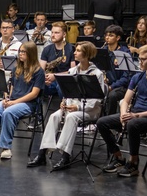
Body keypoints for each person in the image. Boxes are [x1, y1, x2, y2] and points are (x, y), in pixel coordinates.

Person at [31, 41, 108, 171]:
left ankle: (65, 156)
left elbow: (96, 99)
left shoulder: (97, 73)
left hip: (91, 109)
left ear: (87, 54)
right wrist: (64, 102)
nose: (74, 53)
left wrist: (77, 108)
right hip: (73, 107)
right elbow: (68, 92)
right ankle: (42, 153)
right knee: (54, 116)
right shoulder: (73, 70)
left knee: (72, 117)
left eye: (78, 50)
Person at [96, 44, 147, 178]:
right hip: (132, 115)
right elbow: (126, 100)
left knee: (132, 124)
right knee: (102, 122)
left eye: (143, 59)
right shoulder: (137, 77)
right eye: (139, 59)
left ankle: (133, 163)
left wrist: (137, 115)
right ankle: (118, 158)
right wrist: (123, 113)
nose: (139, 62)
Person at [0, 41, 44, 160]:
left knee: (8, 112)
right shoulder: (16, 68)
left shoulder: (38, 72)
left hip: (28, 104)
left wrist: (14, 103)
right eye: (19, 51)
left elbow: (34, 94)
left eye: (23, 52)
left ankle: (6, 147)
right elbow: (12, 88)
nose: (20, 54)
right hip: (13, 100)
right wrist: (7, 99)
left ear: (30, 54)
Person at [101, 25, 133, 116]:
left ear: (118, 38)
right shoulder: (103, 51)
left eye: (111, 35)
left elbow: (126, 77)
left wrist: (112, 86)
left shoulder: (124, 53)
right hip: (107, 83)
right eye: (106, 35)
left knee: (112, 96)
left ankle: (109, 119)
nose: (107, 38)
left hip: (121, 86)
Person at [40, 22, 75, 98]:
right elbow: (41, 69)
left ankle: (65, 107)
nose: (53, 35)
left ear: (64, 34)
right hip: (49, 81)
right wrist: (44, 79)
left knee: (60, 86)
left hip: (65, 81)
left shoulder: (71, 49)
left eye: (56, 33)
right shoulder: (47, 49)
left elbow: (73, 71)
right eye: (52, 32)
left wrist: (55, 76)